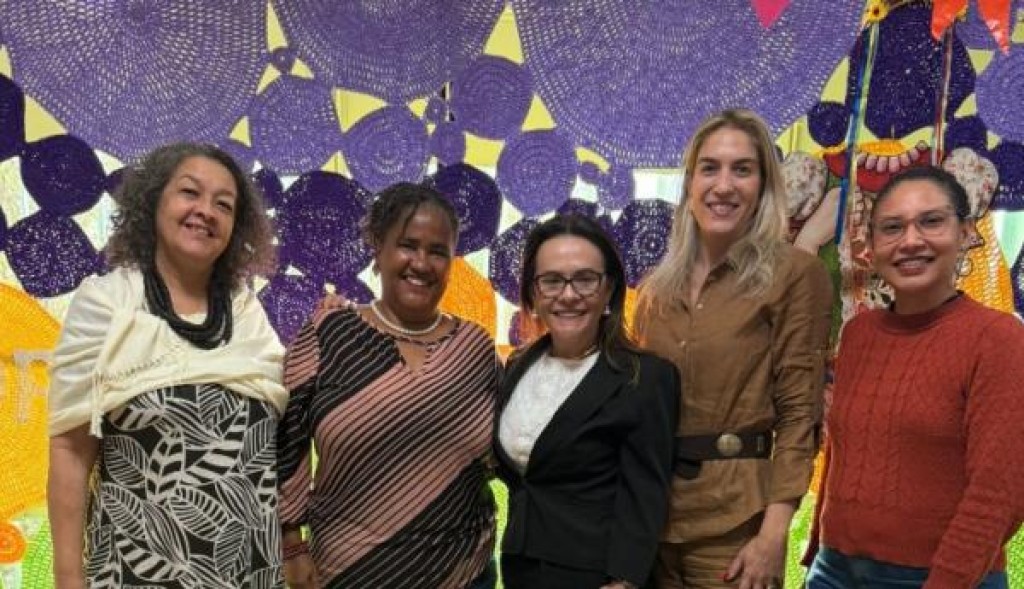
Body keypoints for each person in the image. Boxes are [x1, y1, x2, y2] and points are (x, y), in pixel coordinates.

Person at [47, 143, 285, 588]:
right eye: (190, 192)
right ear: (154, 201)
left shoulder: (248, 315)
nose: (206, 211)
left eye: (224, 205)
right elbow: (70, 454)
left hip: (247, 568)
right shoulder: (107, 304)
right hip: (137, 570)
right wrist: (67, 578)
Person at [633, 108, 834, 589]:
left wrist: (773, 535)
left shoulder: (794, 275)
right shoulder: (655, 291)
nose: (723, 185)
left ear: (764, 186)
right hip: (653, 520)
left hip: (737, 524)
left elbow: (799, 414)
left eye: (742, 169)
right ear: (690, 182)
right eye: (710, 168)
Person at [804, 166, 1024, 588]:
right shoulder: (859, 333)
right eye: (892, 227)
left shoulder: (998, 339)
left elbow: (1001, 491)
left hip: (941, 576)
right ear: (871, 245)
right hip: (835, 569)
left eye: (931, 221)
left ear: (965, 234)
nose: (910, 240)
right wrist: (818, 549)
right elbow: (846, 454)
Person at [277, 182, 499, 589]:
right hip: (350, 572)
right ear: (378, 249)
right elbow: (286, 439)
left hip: (464, 572)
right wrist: (291, 540)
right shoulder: (330, 332)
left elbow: (508, 445)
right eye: (407, 245)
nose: (422, 263)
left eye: (438, 251)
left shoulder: (474, 348)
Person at [496, 214, 680, 589]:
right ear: (533, 294)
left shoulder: (645, 377)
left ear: (608, 289)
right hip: (520, 568)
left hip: (596, 574)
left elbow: (646, 492)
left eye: (584, 279)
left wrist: (625, 580)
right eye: (551, 281)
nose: (568, 295)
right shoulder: (518, 365)